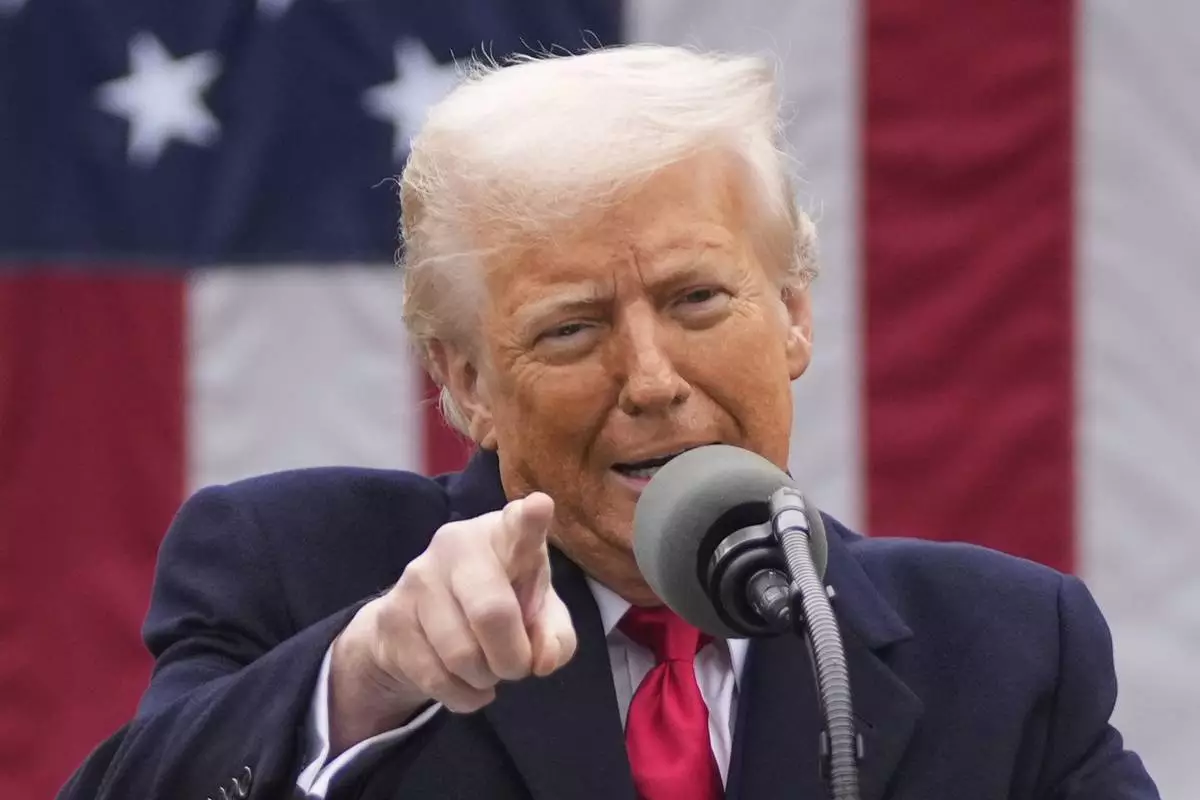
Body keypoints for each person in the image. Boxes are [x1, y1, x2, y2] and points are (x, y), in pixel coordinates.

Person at [59, 45, 1159, 800]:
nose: (651, 379)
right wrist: (367, 673)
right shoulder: (301, 569)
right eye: (573, 328)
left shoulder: (1009, 649)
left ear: (792, 314)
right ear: (467, 382)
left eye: (697, 300)